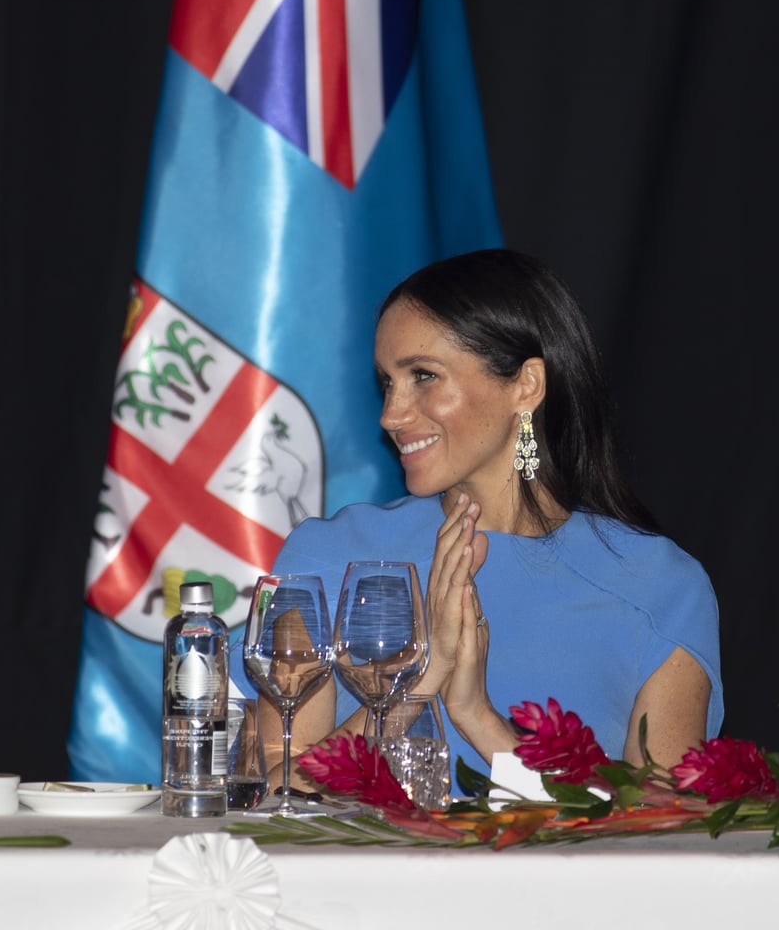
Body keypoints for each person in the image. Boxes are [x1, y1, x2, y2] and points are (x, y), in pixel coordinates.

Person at [241, 249, 722, 794]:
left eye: (423, 376)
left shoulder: (662, 586)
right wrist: (421, 678)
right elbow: (275, 792)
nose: (391, 414)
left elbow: (659, 829)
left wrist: (479, 718)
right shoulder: (325, 557)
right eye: (387, 383)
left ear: (526, 386)